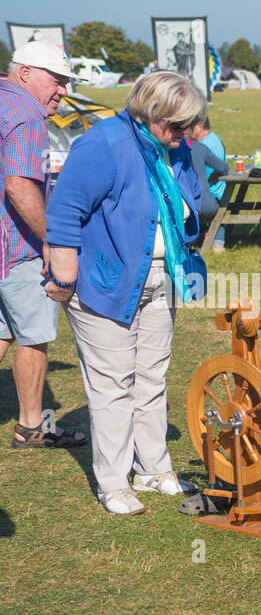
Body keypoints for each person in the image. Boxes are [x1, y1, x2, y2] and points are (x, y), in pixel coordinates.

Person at [44, 71, 207, 515]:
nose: (184, 135)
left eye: (189, 126)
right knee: (113, 383)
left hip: (161, 277)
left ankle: (153, 467)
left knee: (152, 377)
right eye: (176, 126)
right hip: (106, 281)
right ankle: (113, 482)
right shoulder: (105, 143)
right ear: (150, 113)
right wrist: (63, 271)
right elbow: (64, 210)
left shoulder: (177, 148)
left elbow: (193, 197)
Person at [1, 41, 87, 450]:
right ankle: (32, 426)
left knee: (3, 332)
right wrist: (52, 239)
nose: (63, 90)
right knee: (33, 334)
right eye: (57, 80)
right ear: (26, 73)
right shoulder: (26, 114)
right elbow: (18, 184)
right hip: (14, 244)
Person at [187, 117, 229, 252]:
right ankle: (215, 241)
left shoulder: (203, 145)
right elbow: (223, 167)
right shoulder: (209, 142)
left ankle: (195, 238)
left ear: (199, 126)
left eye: (192, 127)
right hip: (211, 196)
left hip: (202, 196)